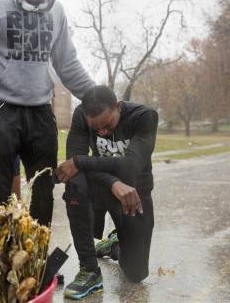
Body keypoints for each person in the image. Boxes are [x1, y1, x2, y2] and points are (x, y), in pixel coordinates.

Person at [0, 0, 95, 225]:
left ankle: (35, 261)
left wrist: (97, 98)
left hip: (40, 111)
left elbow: (67, 63)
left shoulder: (56, 12)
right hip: (0, 110)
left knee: (42, 192)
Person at [56, 85, 158, 299]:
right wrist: (113, 182)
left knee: (136, 273)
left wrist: (81, 161)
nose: (101, 131)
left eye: (107, 125)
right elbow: (71, 167)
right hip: (101, 189)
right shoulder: (80, 116)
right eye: (96, 128)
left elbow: (130, 166)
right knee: (74, 182)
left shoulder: (145, 117)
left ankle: (115, 245)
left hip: (135, 193)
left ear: (117, 107)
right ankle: (90, 271)